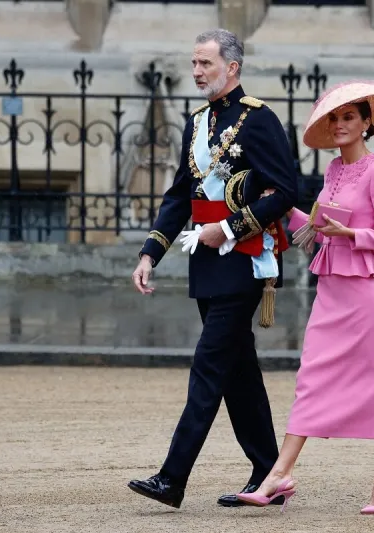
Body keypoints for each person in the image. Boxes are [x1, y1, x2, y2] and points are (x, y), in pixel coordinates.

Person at [127, 28, 298, 509]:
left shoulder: (259, 120)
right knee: (238, 373)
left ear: (232, 67)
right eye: (195, 63)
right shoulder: (197, 123)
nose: (197, 72)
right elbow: (180, 195)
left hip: (244, 261)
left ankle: (172, 478)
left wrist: (229, 228)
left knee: (207, 367)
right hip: (206, 265)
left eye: (205, 63)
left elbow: (287, 191)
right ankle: (270, 474)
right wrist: (149, 253)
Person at [236, 80, 374, 515]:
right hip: (331, 292)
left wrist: (349, 233)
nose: (339, 124)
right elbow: (315, 230)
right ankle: (279, 474)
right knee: (310, 377)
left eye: (349, 117)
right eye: (334, 118)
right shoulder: (332, 171)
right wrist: (278, 206)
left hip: (368, 294)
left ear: (367, 123)